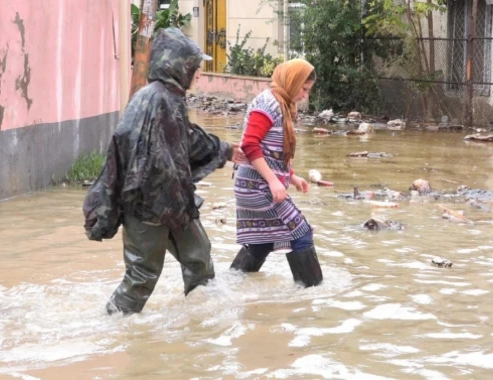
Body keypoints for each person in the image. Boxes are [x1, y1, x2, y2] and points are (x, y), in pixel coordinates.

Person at [82, 28, 245, 316]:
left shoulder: (167, 98)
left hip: (173, 205)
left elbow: (186, 140)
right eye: (195, 67)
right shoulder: (157, 100)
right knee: (142, 275)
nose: (198, 73)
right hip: (147, 208)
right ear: (179, 66)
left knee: (199, 258)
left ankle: (198, 323)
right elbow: (138, 153)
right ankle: (108, 330)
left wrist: (225, 150)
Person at [229, 59, 323, 288]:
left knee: (263, 241)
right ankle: (312, 295)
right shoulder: (268, 104)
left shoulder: (280, 103)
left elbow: (272, 153)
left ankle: (226, 286)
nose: (304, 95)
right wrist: (273, 181)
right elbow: (250, 145)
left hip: (254, 186)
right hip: (257, 187)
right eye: (303, 89)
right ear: (292, 81)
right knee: (301, 234)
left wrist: (291, 177)